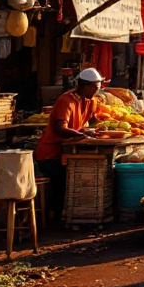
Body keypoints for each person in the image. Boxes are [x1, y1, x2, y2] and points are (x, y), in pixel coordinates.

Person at [34, 68, 104, 223]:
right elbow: (60, 128)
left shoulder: (90, 101)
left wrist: (99, 127)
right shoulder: (66, 100)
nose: (97, 92)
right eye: (96, 89)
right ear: (86, 87)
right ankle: (55, 216)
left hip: (67, 151)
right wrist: (80, 134)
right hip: (50, 153)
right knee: (65, 178)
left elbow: (90, 120)